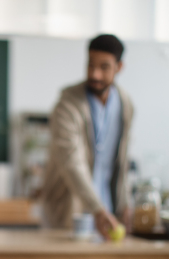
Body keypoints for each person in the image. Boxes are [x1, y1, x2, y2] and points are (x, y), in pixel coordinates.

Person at [41, 34, 134, 239]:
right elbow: (71, 162)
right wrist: (96, 209)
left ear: (119, 67)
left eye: (104, 67)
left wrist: (125, 204)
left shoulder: (126, 106)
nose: (95, 74)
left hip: (109, 216)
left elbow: (122, 163)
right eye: (91, 65)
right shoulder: (67, 105)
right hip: (71, 213)